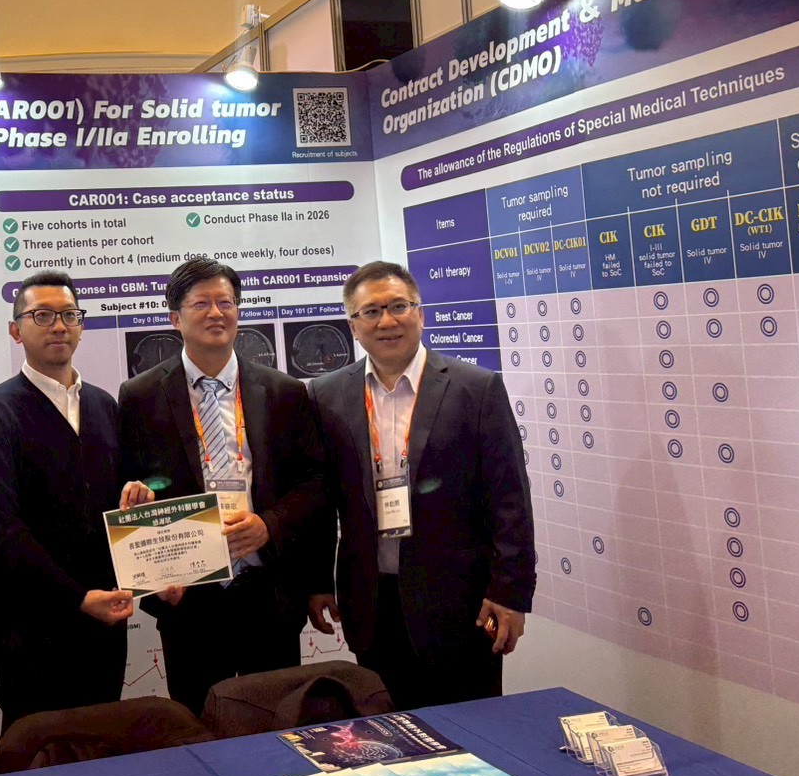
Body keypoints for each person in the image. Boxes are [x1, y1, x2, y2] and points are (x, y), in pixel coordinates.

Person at [307, 260, 535, 711]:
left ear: (420, 313)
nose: (386, 321)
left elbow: (510, 499)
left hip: (462, 605)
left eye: (398, 306)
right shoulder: (326, 394)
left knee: (471, 731)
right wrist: (316, 582)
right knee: (385, 731)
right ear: (353, 326)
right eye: (371, 312)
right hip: (371, 603)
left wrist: (510, 594)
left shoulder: (477, 389)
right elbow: (321, 499)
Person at [117, 256, 327, 716]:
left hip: (268, 592)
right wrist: (152, 576)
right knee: (196, 724)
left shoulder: (284, 391)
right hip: (189, 597)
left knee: (275, 723)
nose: (216, 313)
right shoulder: (140, 396)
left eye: (226, 303)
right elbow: (130, 489)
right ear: (175, 318)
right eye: (201, 304)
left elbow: (314, 482)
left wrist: (270, 524)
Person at [0, 270, 133, 729]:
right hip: (33, 626)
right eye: (42, 316)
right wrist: (77, 597)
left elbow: (115, 504)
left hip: (106, 621)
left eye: (69, 315)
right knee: (39, 752)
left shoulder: (104, 404)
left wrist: (137, 500)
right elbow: (1, 528)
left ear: (81, 326)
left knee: (103, 747)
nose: (59, 326)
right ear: (16, 330)